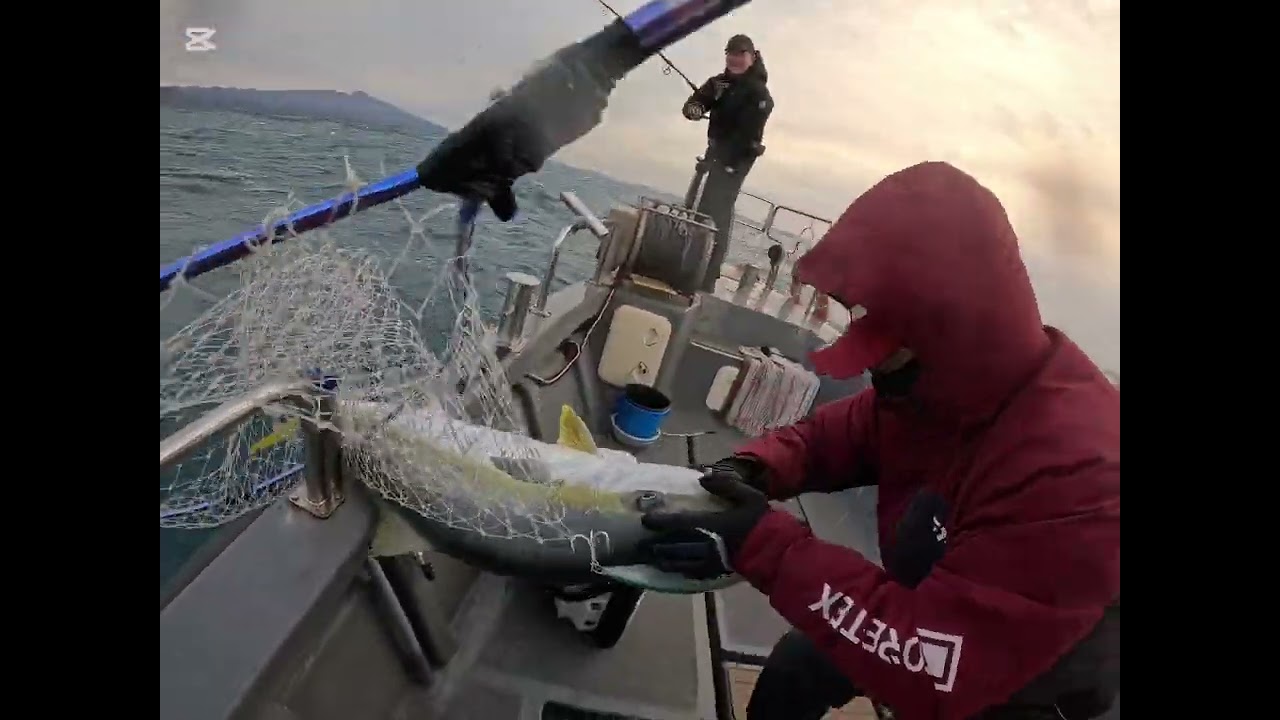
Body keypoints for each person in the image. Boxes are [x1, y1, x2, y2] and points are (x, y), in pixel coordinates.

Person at [639, 162, 1120, 720]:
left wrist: (761, 542)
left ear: (944, 335)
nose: (870, 369)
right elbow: (837, 436)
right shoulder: (942, 388)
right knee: (800, 666)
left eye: (884, 342)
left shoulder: (1081, 470)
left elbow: (934, 665)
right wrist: (750, 468)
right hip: (932, 608)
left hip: (1022, 684)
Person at [682, 34, 774, 291]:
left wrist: (726, 158)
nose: (734, 58)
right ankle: (692, 264)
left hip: (737, 159)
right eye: (730, 53)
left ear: (752, 57)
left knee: (717, 212)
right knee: (701, 208)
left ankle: (707, 278)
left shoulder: (758, 91)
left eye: (740, 53)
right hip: (715, 154)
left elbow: (749, 130)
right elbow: (696, 101)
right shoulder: (719, 83)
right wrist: (695, 109)